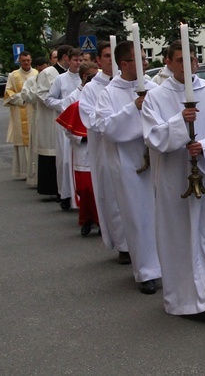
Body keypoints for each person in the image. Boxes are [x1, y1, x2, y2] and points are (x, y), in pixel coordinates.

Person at [141, 41, 205, 323]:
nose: (187, 64)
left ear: (198, 63)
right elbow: (152, 137)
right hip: (173, 180)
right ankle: (185, 299)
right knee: (179, 238)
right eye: (179, 60)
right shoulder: (155, 97)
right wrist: (179, 122)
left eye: (191, 59)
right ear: (168, 63)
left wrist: (204, 146)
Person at [96, 40, 161, 294]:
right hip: (127, 163)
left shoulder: (154, 88)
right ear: (124, 64)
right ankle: (145, 271)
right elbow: (108, 128)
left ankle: (165, 264)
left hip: (156, 159)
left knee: (160, 215)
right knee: (137, 216)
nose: (145, 63)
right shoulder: (109, 93)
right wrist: (134, 107)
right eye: (140, 59)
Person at [78, 41, 130, 263]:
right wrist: (116, 122)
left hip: (133, 149)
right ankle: (123, 245)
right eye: (106, 56)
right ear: (98, 60)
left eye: (113, 56)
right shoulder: (91, 88)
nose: (110, 60)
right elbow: (92, 119)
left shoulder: (131, 84)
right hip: (106, 149)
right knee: (114, 197)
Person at [56, 62, 100, 236]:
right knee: (85, 188)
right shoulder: (73, 98)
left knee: (100, 187)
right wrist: (80, 136)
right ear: (84, 77)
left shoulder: (100, 93)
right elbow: (68, 127)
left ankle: (100, 220)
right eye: (91, 76)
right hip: (81, 149)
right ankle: (87, 218)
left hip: (99, 147)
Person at [46, 48, 82, 210]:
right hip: (65, 123)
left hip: (81, 124)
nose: (78, 63)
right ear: (69, 60)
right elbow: (49, 99)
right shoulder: (61, 79)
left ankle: (80, 194)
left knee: (79, 161)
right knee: (65, 160)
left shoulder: (86, 79)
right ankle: (65, 194)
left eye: (81, 60)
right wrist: (64, 105)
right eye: (75, 60)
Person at [35, 45, 73, 199]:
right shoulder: (47, 73)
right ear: (65, 58)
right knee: (53, 152)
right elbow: (41, 94)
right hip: (51, 117)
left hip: (69, 117)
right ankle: (52, 189)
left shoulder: (73, 74)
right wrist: (63, 103)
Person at [3, 51, 38, 179]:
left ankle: (35, 171)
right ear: (20, 61)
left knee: (35, 139)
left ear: (31, 60)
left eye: (28, 60)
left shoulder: (37, 73)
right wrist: (22, 98)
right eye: (23, 60)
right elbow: (8, 92)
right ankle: (23, 171)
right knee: (22, 142)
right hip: (20, 111)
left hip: (34, 110)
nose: (26, 63)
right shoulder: (13, 75)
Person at [21, 57, 49, 188]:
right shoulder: (31, 80)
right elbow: (26, 96)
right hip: (37, 115)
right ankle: (36, 177)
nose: (42, 73)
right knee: (37, 147)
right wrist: (37, 89)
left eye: (44, 70)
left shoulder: (53, 79)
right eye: (40, 71)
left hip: (50, 116)